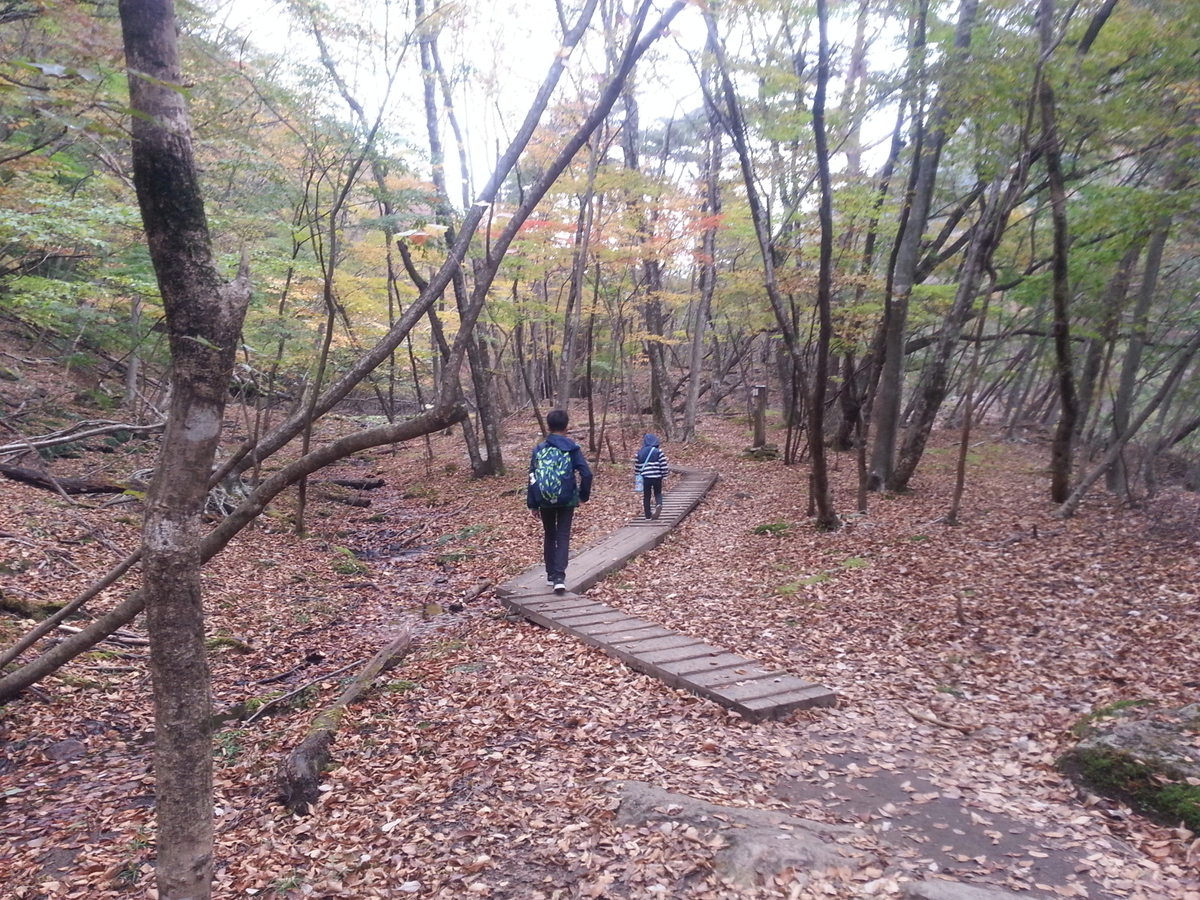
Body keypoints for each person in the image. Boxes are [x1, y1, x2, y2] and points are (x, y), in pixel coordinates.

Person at [527, 409, 592, 593]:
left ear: (548, 426)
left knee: (550, 535)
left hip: (545, 499)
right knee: (563, 535)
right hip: (567, 499)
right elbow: (586, 473)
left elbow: (532, 477)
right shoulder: (572, 448)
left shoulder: (539, 449)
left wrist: (533, 503)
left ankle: (549, 575)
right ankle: (559, 578)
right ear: (567, 426)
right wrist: (582, 497)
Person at [635, 433, 668, 519]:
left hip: (645, 478)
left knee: (647, 496)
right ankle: (659, 504)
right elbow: (663, 464)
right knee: (657, 492)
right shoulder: (658, 451)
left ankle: (648, 515)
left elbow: (637, 467)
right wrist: (664, 475)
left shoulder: (640, 453)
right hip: (657, 477)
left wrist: (637, 476)